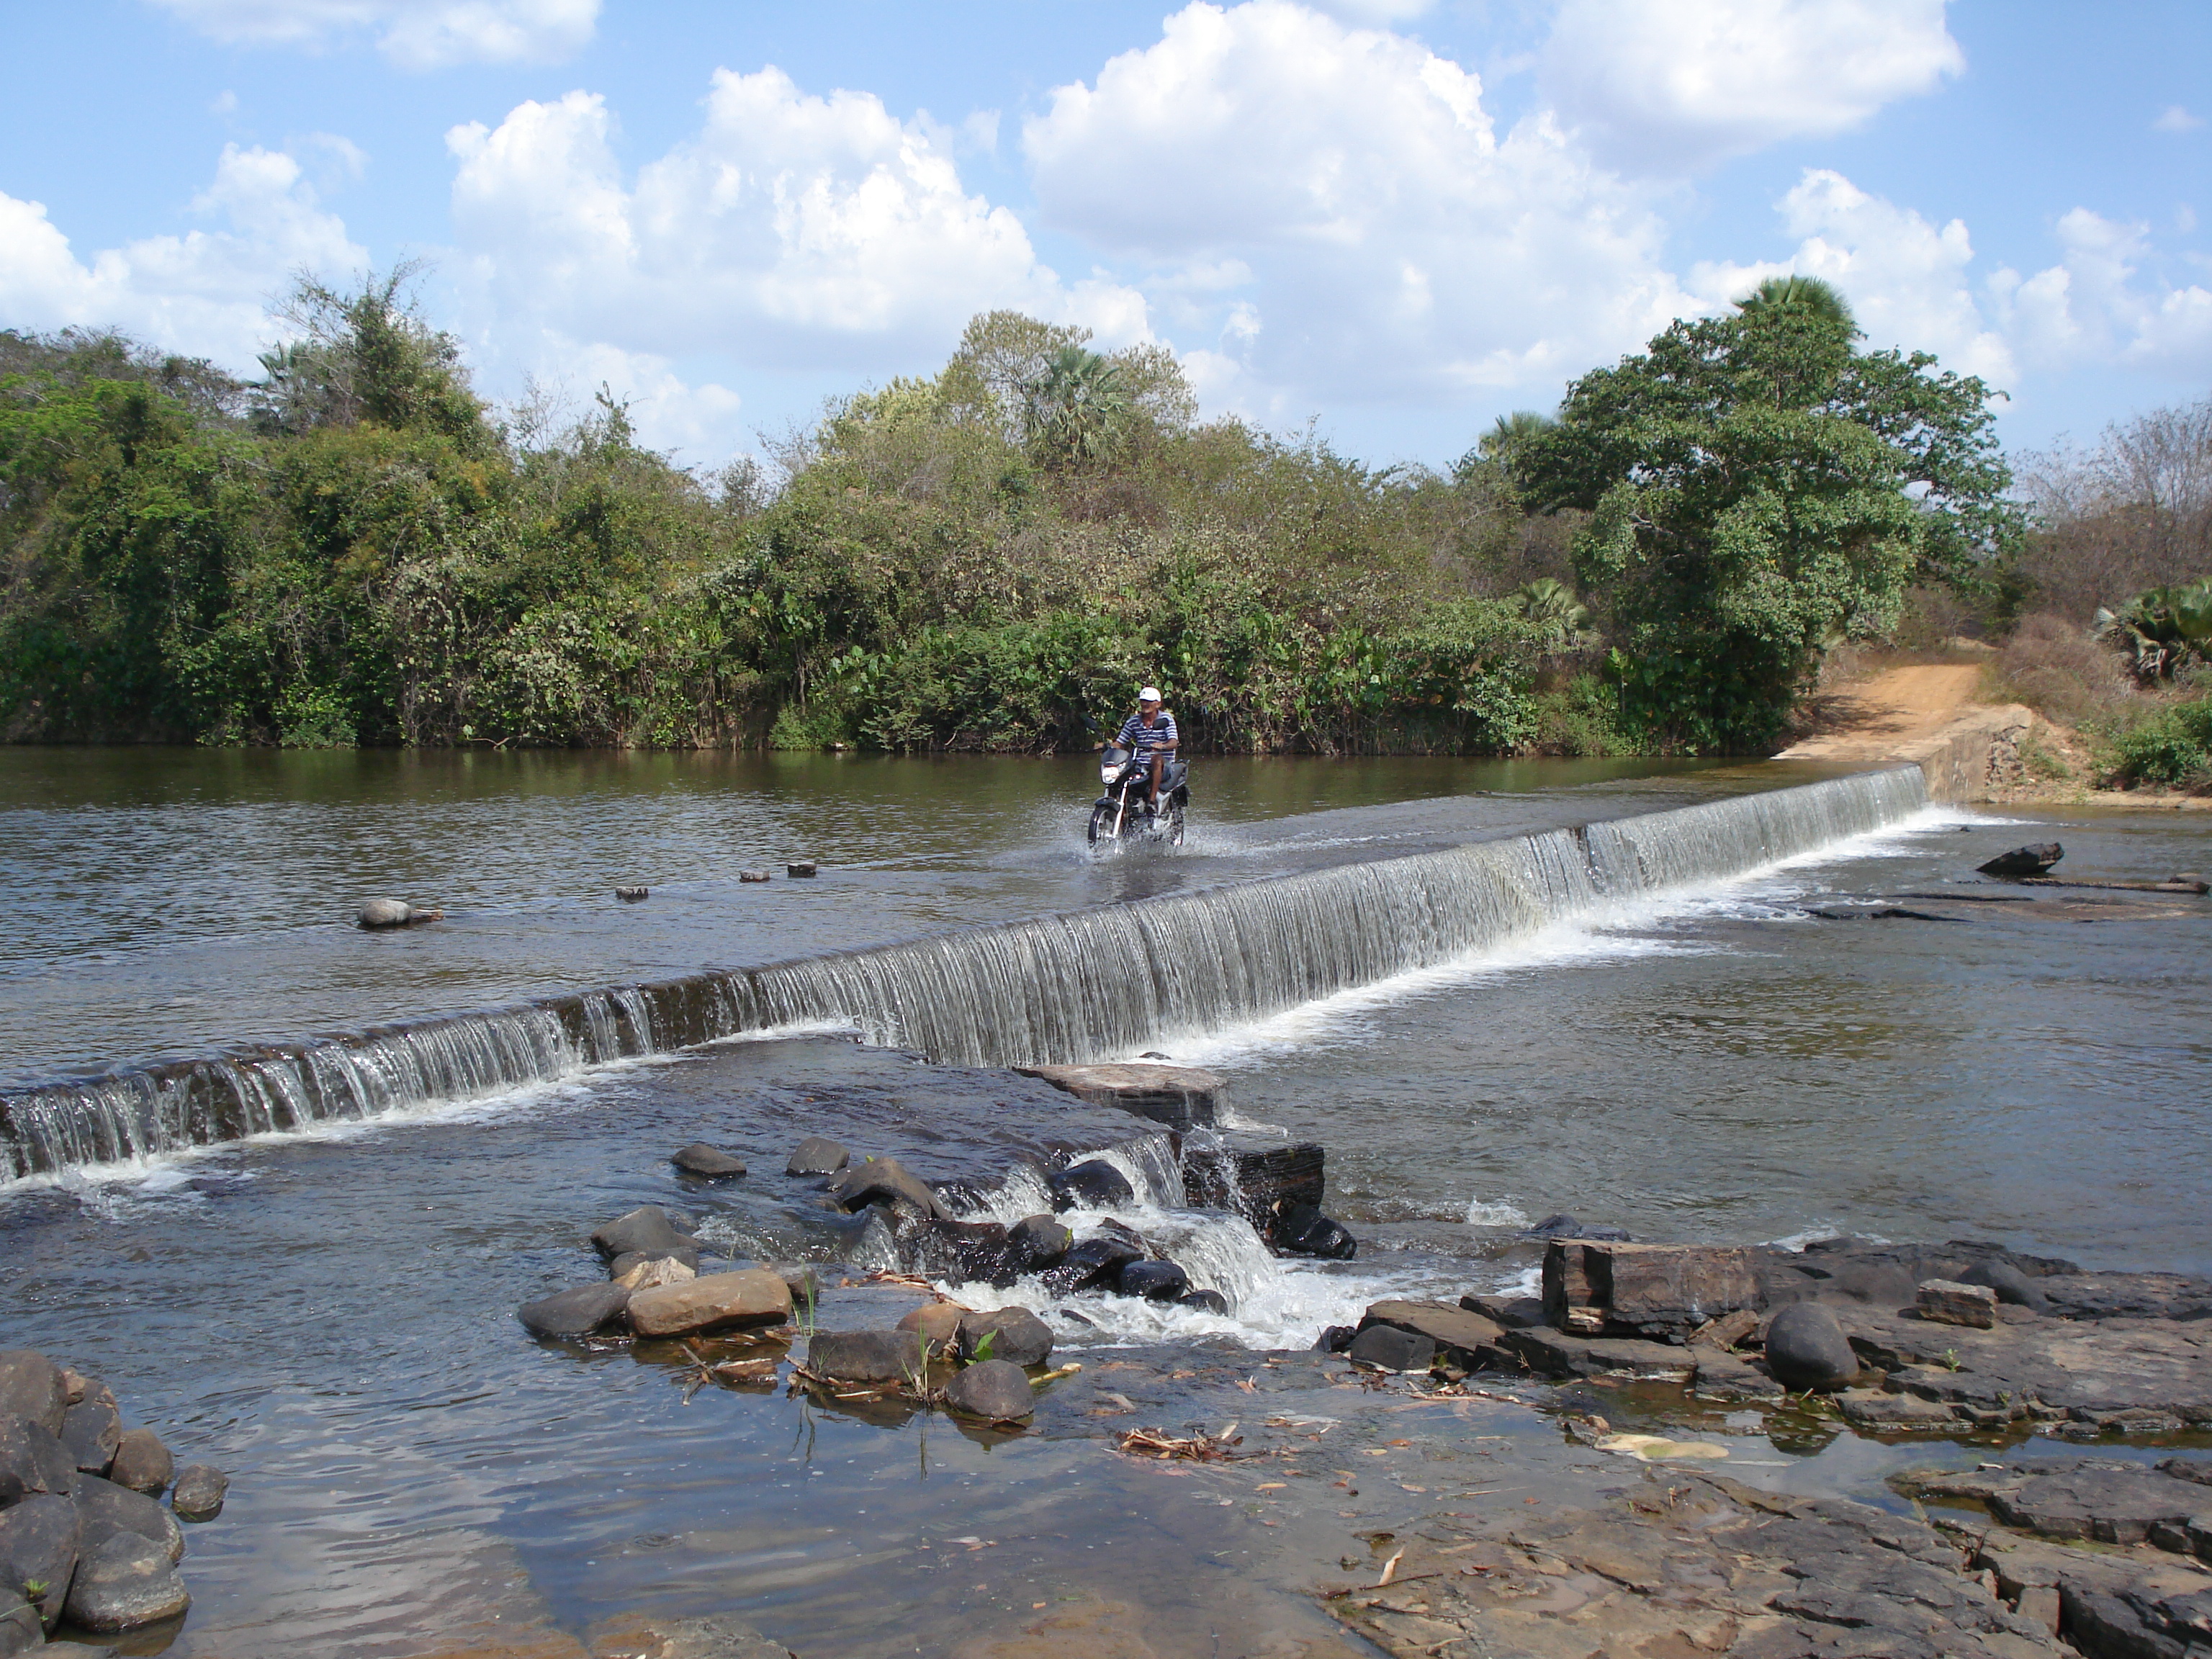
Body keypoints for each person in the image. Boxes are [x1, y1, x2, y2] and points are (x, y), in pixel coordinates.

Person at [1110, 687, 1179, 804]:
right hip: (1140, 763)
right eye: (1143, 701)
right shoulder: (1133, 721)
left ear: (1158, 704)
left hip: (1163, 764)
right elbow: (1120, 742)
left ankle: (1151, 802)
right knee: (1120, 769)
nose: (1145, 704)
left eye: (1149, 701)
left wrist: (1162, 746)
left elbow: (1174, 742)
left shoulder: (1165, 719)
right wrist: (1106, 746)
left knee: (1156, 759)